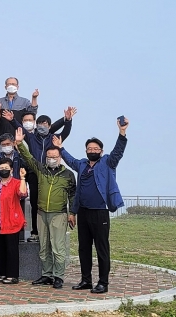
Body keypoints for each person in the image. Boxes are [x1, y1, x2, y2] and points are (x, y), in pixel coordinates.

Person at [53, 117, 129, 294]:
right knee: (84, 248)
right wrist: (60, 148)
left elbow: (118, 151)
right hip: (84, 212)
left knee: (102, 248)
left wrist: (122, 132)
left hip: (100, 212)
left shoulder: (108, 163)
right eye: (89, 148)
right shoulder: (82, 165)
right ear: (86, 151)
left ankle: (103, 282)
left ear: (101, 151)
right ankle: (86, 280)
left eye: (95, 149)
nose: (92, 151)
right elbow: (70, 160)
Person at [16, 128, 76, 289]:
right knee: (44, 247)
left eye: (54, 157)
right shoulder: (41, 169)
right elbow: (28, 158)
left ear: (60, 158)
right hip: (42, 213)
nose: (51, 159)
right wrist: (20, 143)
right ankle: (47, 274)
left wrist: (73, 213)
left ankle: (58, 276)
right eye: (49, 157)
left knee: (57, 247)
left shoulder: (68, 175)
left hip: (59, 214)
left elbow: (73, 195)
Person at [9, 109, 75, 242]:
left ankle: (49, 231)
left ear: (50, 126)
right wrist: (12, 120)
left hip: (49, 173)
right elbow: (20, 129)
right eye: (39, 124)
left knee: (48, 202)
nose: (41, 126)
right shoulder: (32, 137)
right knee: (34, 202)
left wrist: (67, 121)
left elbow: (66, 132)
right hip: (34, 172)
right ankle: (35, 231)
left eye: (45, 124)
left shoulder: (54, 138)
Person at [0, 158, 27, 284]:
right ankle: (3, 274)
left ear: (11, 170)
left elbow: (22, 193)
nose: (3, 170)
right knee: (1, 249)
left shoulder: (16, 183)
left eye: (6, 168)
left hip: (11, 221)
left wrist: (22, 178)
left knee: (11, 249)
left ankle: (12, 275)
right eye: (1, 168)